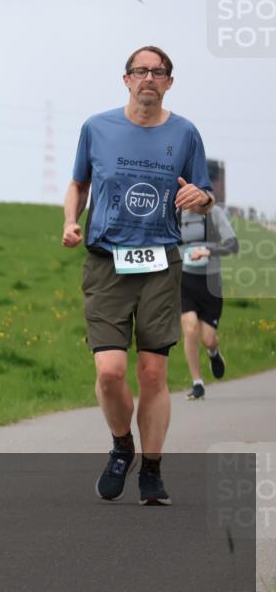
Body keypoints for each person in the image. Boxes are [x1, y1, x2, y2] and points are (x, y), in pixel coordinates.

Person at [62, 45, 214, 506]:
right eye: (140, 70)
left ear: (169, 82)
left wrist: (201, 200)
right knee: (110, 371)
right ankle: (121, 445)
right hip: (107, 260)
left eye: (158, 72)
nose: (149, 77)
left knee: (152, 372)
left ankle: (152, 469)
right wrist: (70, 221)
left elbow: (205, 193)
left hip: (160, 262)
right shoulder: (97, 127)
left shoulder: (185, 133)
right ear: (126, 79)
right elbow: (79, 184)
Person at [180, 205, 239, 400]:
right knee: (190, 329)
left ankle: (213, 352)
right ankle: (197, 383)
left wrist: (209, 251)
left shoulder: (214, 213)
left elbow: (233, 245)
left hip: (210, 283)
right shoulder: (173, 212)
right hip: (183, 280)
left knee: (208, 339)